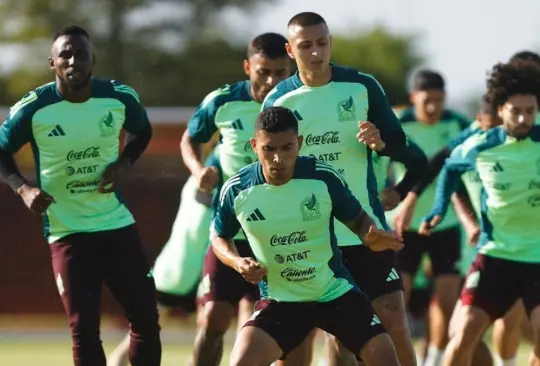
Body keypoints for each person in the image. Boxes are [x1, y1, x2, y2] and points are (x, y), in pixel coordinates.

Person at [262, 12, 428, 366]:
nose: (316, 52)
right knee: (339, 338)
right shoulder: (279, 101)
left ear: (330, 43)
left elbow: (400, 143)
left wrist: (380, 142)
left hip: (366, 228)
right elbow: (267, 169)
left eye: (322, 43)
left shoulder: (361, 87)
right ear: (291, 51)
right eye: (306, 45)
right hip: (314, 237)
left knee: (394, 319)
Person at [0, 26, 161, 366]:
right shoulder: (34, 108)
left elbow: (142, 130)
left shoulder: (118, 97)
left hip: (116, 225)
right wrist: (23, 188)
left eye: (81, 54)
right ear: (52, 63)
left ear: (93, 60)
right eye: (65, 55)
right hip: (67, 232)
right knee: (85, 329)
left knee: (146, 319)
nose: (74, 61)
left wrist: (123, 162)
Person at [213, 106, 403, 366]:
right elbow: (220, 237)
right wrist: (237, 262)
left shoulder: (322, 177)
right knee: (241, 362)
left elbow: (358, 219)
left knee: (386, 358)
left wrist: (369, 235)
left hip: (334, 293)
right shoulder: (237, 190)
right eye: (269, 149)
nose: (278, 159)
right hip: (281, 301)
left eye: (286, 148)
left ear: (299, 143)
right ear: (254, 145)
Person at [179, 32, 292, 366]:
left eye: (280, 73)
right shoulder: (224, 101)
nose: (272, 80)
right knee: (213, 317)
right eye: (263, 72)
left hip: (281, 235)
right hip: (229, 232)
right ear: (248, 67)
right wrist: (198, 170)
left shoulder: (298, 102)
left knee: (278, 328)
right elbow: (189, 139)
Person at [421, 60, 540, 366]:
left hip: (537, 259)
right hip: (494, 257)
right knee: (461, 336)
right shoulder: (479, 146)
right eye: (517, 111)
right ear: (501, 110)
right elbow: (448, 171)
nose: (524, 118)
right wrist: (437, 209)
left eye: (531, 110)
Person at [385, 69, 471, 366]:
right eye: (426, 101)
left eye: (438, 100)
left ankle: (432, 360)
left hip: (445, 225)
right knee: (399, 300)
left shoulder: (459, 124)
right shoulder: (397, 124)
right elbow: (378, 163)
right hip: (404, 226)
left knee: (447, 302)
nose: (433, 108)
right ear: (413, 98)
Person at [107, 147, 218, 366]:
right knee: (139, 337)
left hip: (186, 271)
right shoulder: (207, 185)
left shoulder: (201, 183)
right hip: (181, 271)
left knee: (204, 339)